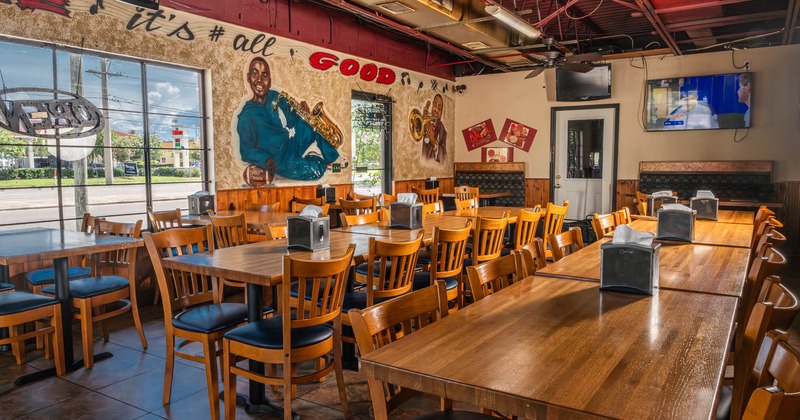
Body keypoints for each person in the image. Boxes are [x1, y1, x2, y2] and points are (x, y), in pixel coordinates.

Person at [237, 57, 340, 184]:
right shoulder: (246, 116)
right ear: (248, 78)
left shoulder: (276, 97)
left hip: (291, 142)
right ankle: (314, 157)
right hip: (280, 160)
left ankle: (332, 158)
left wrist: (301, 114)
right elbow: (246, 150)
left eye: (264, 75)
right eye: (254, 74)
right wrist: (266, 160)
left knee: (312, 123)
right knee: (317, 171)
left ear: (269, 80)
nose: (259, 79)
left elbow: (290, 120)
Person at [421, 93, 446, 163]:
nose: (436, 110)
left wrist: (434, 142)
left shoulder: (442, 131)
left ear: (441, 113)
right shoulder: (426, 122)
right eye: (434, 105)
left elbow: (442, 159)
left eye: (439, 108)